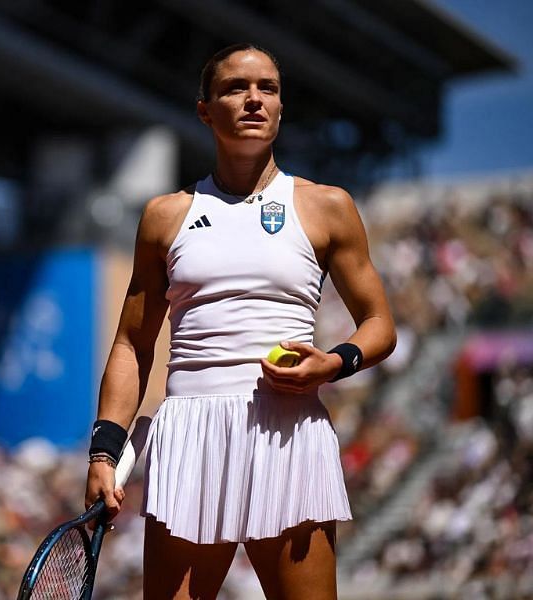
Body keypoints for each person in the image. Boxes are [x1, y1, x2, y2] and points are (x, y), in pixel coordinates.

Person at [85, 43, 397, 600]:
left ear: (280, 107)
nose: (254, 100)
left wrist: (332, 363)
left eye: (268, 88)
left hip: (290, 433)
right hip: (190, 437)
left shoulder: (327, 206)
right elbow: (133, 343)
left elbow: (379, 325)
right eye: (235, 87)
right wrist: (104, 452)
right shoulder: (165, 215)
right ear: (205, 110)